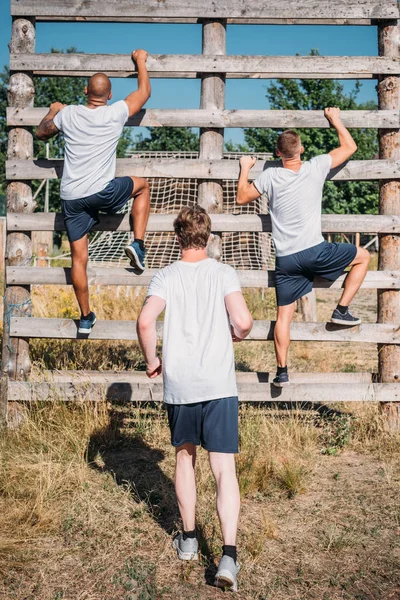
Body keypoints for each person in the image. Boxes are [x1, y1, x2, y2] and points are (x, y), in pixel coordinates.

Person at [137, 206, 253, 592]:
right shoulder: (223, 273)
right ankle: (229, 556)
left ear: (176, 237)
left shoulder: (166, 276)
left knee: (184, 457)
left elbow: (144, 321)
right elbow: (244, 322)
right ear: (208, 236)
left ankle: (188, 540)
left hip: (181, 383)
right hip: (218, 383)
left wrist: (153, 360)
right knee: (224, 469)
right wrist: (237, 333)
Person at [236, 107, 370, 387]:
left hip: (286, 259)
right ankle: (341, 310)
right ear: (302, 149)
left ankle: (282, 371)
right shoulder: (316, 165)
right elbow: (350, 146)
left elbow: (241, 197)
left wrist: (245, 168)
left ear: (277, 154)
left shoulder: (270, 176)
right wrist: (335, 120)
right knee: (364, 256)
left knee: (284, 315)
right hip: (315, 252)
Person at [36, 49, 151, 334]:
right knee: (143, 186)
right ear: (110, 95)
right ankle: (137, 244)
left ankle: (85, 318)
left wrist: (54, 109)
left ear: (85, 91)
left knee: (78, 260)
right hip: (103, 192)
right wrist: (140, 61)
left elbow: (41, 132)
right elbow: (144, 92)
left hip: (72, 198)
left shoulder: (69, 114)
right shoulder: (116, 112)